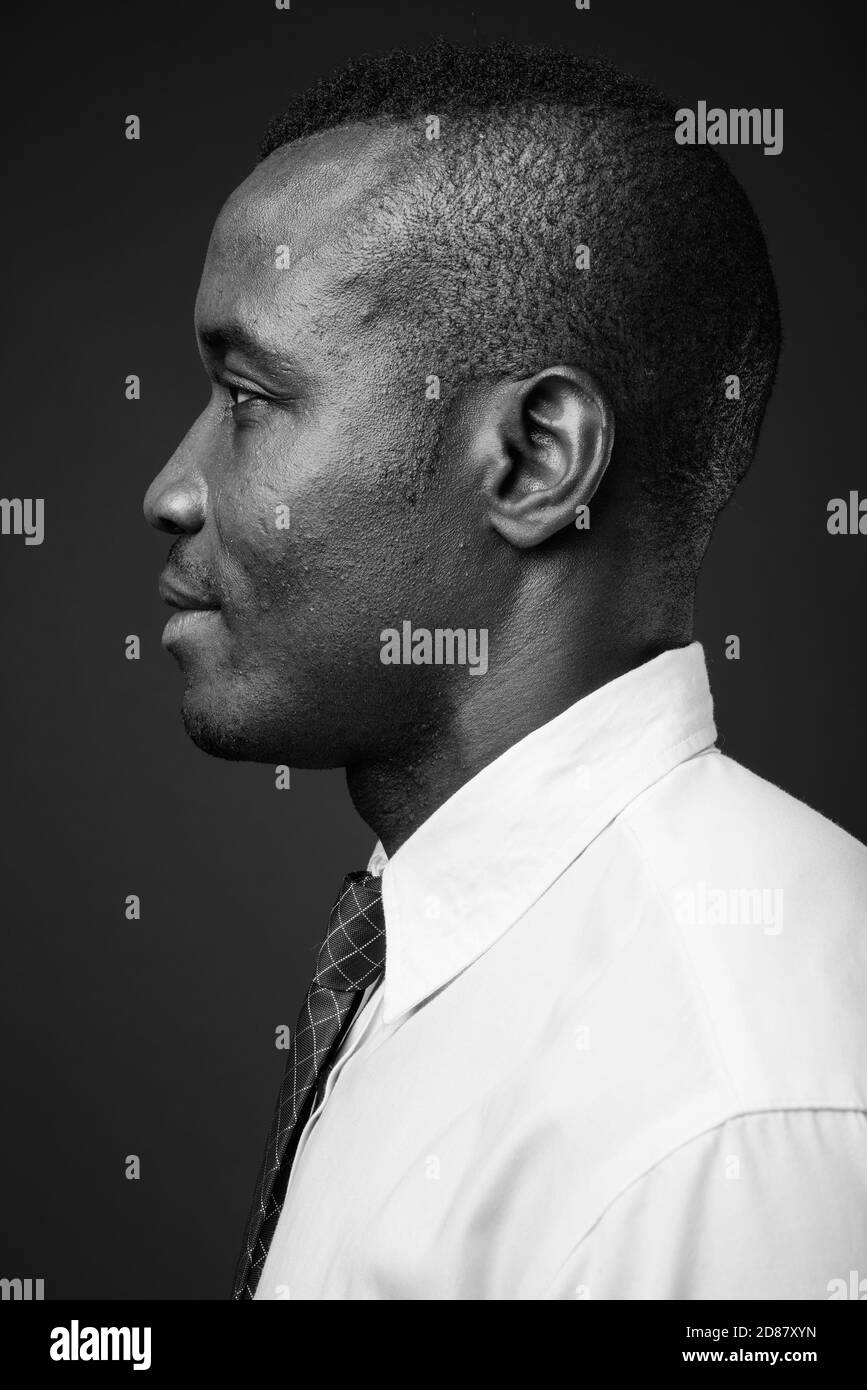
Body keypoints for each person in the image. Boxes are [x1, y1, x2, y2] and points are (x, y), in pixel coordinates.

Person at [143, 39, 867, 1300]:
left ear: (535, 461)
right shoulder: (436, 946)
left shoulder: (726, 1113)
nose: (172, 488)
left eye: (251, 395)